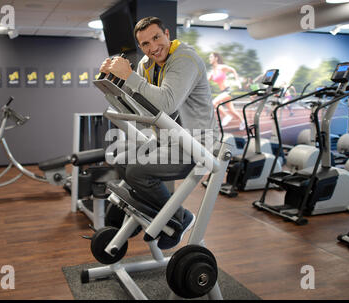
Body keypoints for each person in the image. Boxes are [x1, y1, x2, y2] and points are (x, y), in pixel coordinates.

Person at [99, 16, 218, 250]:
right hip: (166, 139)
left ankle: (180, 218)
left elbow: (167, 104)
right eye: (145, 44)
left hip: (195, 145)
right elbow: (141, 108)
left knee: (137, 172)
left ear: (166, 33)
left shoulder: (185, 58)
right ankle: (149, 214)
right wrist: (110, 83)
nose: (153, 47)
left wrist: (130, 77)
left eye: (156, 38)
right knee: (121, 160)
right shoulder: (146, 64)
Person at [208, 52, 245, 130]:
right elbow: (206, 81)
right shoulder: (212, 72)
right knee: (232, 110)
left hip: (228, 90)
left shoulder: (221, 67)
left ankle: (225, 116)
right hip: (223, 92)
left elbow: (233, 70)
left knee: (214, 102)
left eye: (211, 57)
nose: (209, 59)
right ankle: (243, 122)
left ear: (216, 58)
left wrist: (238, 81)